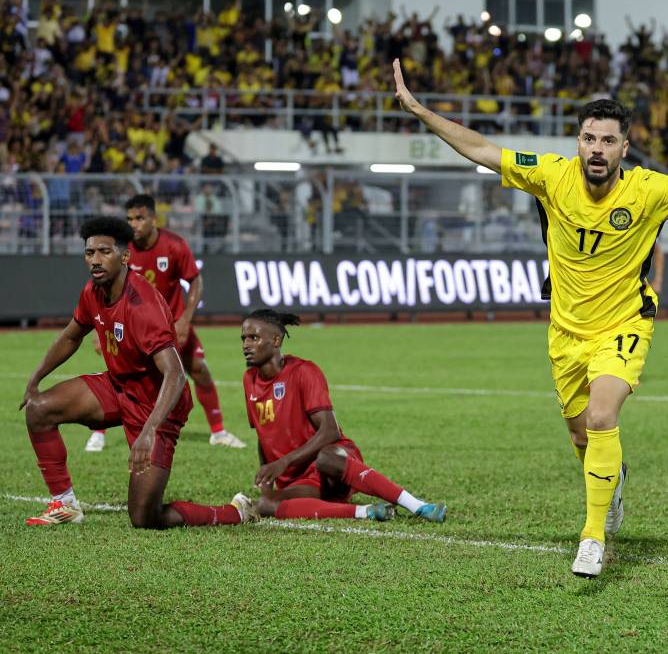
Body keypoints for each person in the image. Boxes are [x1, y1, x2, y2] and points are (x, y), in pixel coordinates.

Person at [392, 59, 668, 577]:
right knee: (582, 438)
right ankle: (614, 479)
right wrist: (420, 110)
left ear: (624, 148)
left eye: (608, 140)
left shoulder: (649, 189)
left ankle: (592, 537)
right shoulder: (551, 175)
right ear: (577, 143)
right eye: (589, 138)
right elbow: (482, 149)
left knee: (603, 417)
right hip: (566, 332)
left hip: (624, 325)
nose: (597, 149)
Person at [20, 216, 255, 527]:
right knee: (39, 409)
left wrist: (150, 430)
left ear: (125, 257)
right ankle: (65, 504)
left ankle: (235, 512)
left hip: (157, 406)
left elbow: (175, 375)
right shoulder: (92, 291)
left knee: (144, 516)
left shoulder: (142, 305)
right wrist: (35, 378)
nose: (95, 260)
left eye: (105, 252)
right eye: (90, 253)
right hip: (119, 387)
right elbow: (71, 336)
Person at [240, 309, 447, 523]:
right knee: (265, 504)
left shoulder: (304, 371)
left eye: (254, 337)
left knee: (326, 458)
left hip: (332, 466)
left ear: (276, 340)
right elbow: (263, 435)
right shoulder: (249, 380)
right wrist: (267, 480)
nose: (246, 345)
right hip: (300, 481)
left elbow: (330, 431)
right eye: (243, 338)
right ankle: (366, 511)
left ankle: (418, 506)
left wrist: (284, 462)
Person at [85, 194, 246, 452]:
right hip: (135, 327)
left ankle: (218, 432)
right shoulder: (121, 250)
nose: (133, 224)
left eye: (139, 218)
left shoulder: (174, 245)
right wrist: (99, 329)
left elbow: (195, 280)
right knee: (121, 378)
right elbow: (102, 289)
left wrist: (185, 319)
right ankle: (99, 433)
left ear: (154, 219)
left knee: (199, 369)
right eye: (129, 219)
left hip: (172, 325)